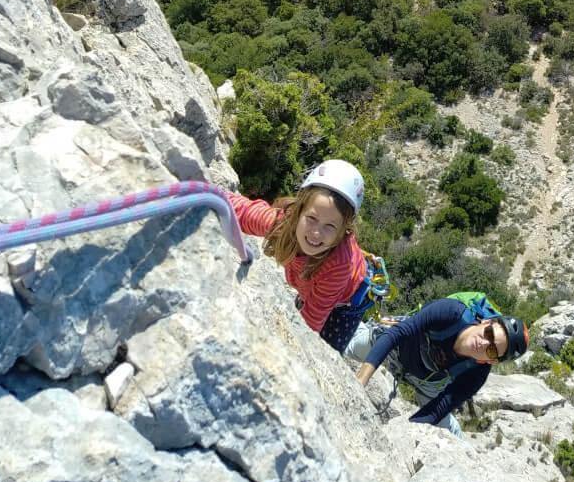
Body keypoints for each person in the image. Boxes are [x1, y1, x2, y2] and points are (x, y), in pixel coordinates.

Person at [226, 159, 376, 353]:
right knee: (309, 297)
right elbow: (243, 212)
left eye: (330, 226)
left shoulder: (338, 264)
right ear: (299, 211)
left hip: (347, 302)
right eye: (312, 218)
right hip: (317, 283)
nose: (316, 233)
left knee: (325, 350)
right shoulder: (284, 224)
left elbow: (310, 324)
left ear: (343, 231)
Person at [347, 298, 529, 436]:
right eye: (488, 334)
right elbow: (396, 335)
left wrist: (405, 433)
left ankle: (461, 443)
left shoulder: (477, 373)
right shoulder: (451, 312)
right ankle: (358, 328)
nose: (483, 344)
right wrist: (359, 384)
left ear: (491, 361)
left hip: (429, 382)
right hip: (398, 347)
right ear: (485, 323)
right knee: (345, 349)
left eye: (491, 351)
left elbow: (440, 407)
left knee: (447, 430)